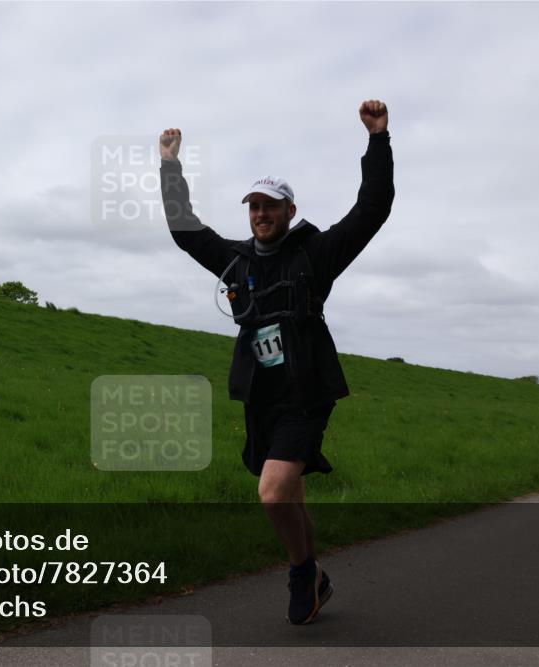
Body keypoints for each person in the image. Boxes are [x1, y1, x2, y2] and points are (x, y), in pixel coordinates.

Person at [158, 100, 394, 625]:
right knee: (291, 497)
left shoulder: (316, 254)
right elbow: (184, 230)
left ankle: (301, 572)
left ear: (290, 211)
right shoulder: (236, 262)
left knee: (271, 494)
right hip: (262, 398)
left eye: (271, 206)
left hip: (306, 394)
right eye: (253, 207)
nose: (261, 215)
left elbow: (372, 208)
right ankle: (316, 576)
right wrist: (169, 166)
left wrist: (378, 139)